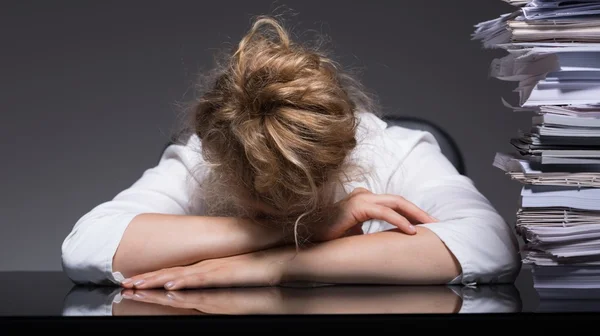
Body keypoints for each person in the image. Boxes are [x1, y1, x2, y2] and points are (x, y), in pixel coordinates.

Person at [61, 16, 521, 291]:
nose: (280, 212)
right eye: (263, 204)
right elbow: (88, 245)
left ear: (346, 153)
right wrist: (312, 227)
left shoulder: (395, 149)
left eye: (298, 202)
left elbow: (490, 245)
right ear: (220, 164)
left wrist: (277, 265)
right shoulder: (203, 158)